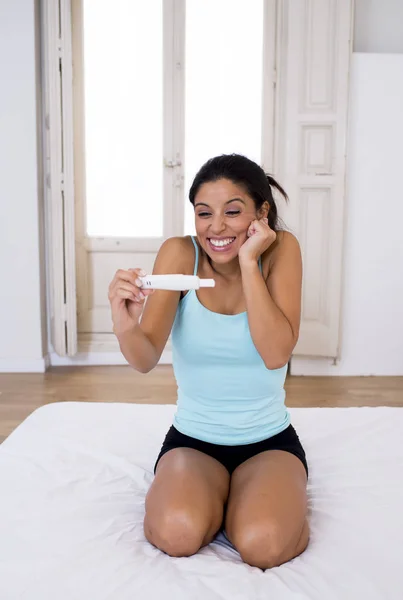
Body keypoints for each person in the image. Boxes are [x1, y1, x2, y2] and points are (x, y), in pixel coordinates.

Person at [108, 154, 309, 570]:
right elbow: (144, 358)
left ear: (261, 213)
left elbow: (275, 354)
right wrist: (124, 321)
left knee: (264, 545)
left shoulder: (282, 251)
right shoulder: (180, 254)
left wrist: (249, 263)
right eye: (204, 214)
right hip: (193, 441)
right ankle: (217, 497)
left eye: (233, 212)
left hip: (268, 441)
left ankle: (245, 498)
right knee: (176, 533)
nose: (216, 227)